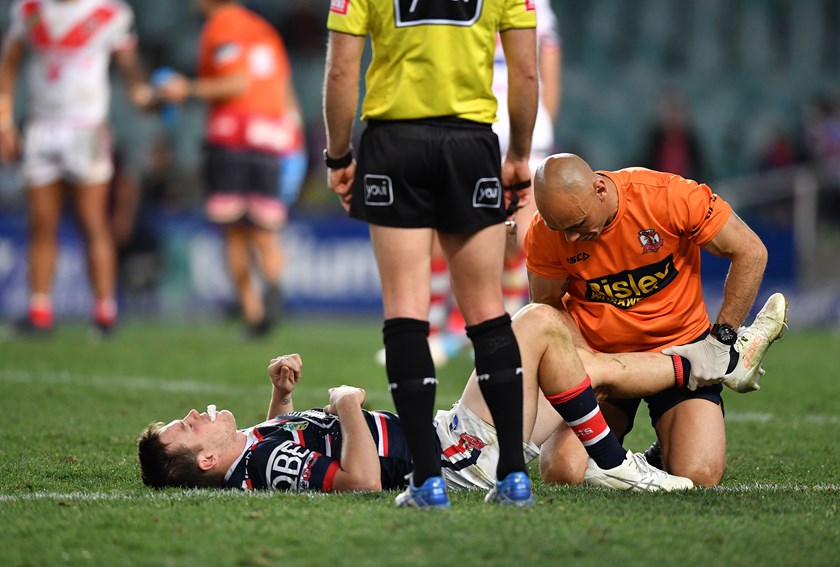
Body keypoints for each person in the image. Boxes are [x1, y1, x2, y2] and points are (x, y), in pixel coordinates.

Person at [139, 303, 722, 495]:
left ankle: (697, 369)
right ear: (208, 461)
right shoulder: (259, 462)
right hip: (462, 451)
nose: (192, 415)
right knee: (540, 322)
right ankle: (692, 375)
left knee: (583, 372)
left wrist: (280, 397)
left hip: (456, 436)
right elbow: (361, 480)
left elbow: (290, 443)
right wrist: (346, 403)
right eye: (184, 429)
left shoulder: (252, 450)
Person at [322, 0, 539, 506]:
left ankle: (427, 479)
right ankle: (512, 475)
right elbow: (526, 74)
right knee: (488, 311)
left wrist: (338, 154)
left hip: (394, 144)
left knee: (405, 310)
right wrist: (520, 154)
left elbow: (339, 71)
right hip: (470, 144)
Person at [524, 153, 789, 486]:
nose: (571, 239)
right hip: (605, 363)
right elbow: (547, 309)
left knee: (699, 476)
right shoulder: (546, 232)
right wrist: (584, 363)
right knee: (563, 472)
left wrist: (722, 338)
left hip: (680, 355)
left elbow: (751, 250)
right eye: (559, 228)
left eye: (577, 225)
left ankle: (658, 455)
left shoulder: (668, 196)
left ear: (600, 189)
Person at [377, 0, 563, 368]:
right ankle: (433, 332)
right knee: (439, 229)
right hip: (466, 120)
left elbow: (545, 68)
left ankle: (503, 320)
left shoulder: (535, 4)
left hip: (519, 126)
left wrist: (543, 123)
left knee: (519, 236)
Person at [0, 0, 152, 337]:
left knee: (92, 221)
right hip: (41, 127)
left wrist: (141, 91)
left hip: (87, 128)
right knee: (41, 223)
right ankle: (39, 312)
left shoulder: (111, 14)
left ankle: (104, 312)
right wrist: (4, 122)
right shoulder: (27, 10)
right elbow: (9, 64)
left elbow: (129, 64)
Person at [154, 0, 305, 338]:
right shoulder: (264, 29)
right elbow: (282, 87)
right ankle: (274, 292)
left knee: (234, 232)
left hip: (232, 139)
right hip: (272, 139)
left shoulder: (222, 26)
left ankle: (253, 312)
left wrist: (186, 89)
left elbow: (238, 82)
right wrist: (293, 140)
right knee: (265, 231)